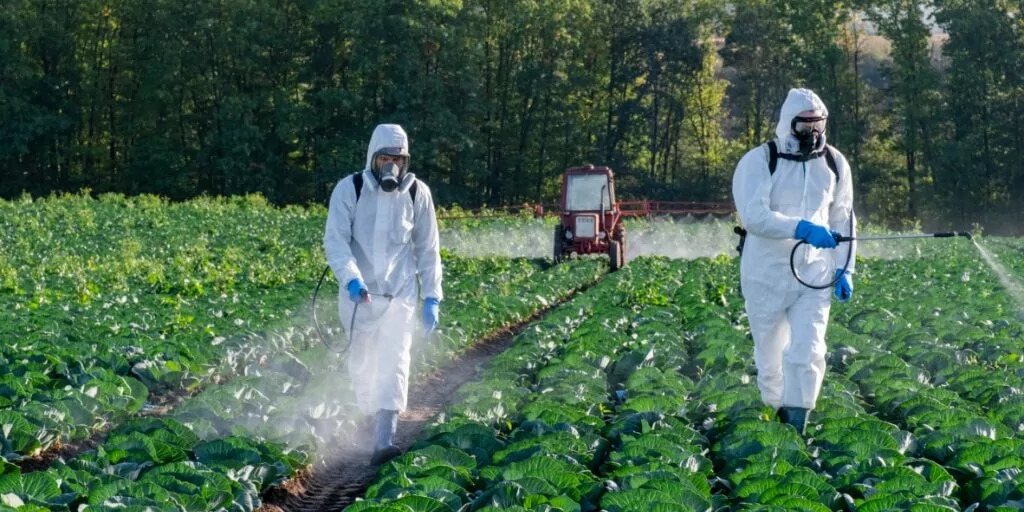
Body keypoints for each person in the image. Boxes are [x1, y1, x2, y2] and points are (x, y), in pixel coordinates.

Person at [731, 88, 856, 435]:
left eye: (819, 125)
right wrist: (800, 228)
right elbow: (755, 217)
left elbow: (843, 219)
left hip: (814, 274)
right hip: (766, 275)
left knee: (809, 349)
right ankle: (776, 418)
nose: (813, 133)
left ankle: (798, 423)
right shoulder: (759, 161)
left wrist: (845, 268)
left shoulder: (834, 163)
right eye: (805, 126)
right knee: (771, 360)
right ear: (790, 124)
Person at [323, 123, 443, 464]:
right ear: (373, 158)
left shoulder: (418, 194)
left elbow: (428, 248)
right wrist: (351, 280)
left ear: (405, 162)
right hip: (359, 296)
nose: (392, 167)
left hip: (400, 295)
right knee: (362, 364)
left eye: (398, 160)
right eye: (385, 159)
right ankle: (367, 417)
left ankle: (383, 437)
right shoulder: (351, 189)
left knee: (394, 360)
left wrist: (432, 296)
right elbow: (336, 240)